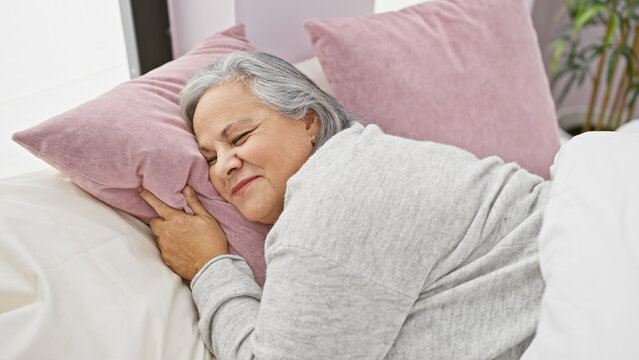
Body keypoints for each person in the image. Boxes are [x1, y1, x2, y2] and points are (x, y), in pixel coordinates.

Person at [138, 51, 549, 359]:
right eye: (210, 158)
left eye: (240, 137)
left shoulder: (333, 196)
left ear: (309, 122)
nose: (225, 165)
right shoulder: (363, 162)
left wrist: (209, 268)